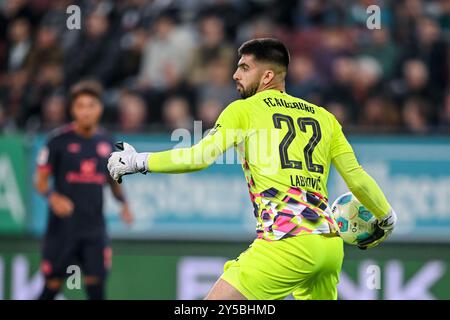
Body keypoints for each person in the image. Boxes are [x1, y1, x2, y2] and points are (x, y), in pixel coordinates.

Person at [107, 38, 397, 300]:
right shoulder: (325, 118)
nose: (235, 74)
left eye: (245, 67)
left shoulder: (243, 110)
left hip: (287, 240)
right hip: (329, 245)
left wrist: (138, 161)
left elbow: (199, 157)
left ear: (267, 75)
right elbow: (357, 179)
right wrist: (386, 216)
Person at [34, 80, 133, 300]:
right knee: (51, 286)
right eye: (81, 106)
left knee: (96, 287)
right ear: (73, 109)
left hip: (93, 228)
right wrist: (52, 196)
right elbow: (39, 181)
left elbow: (112, 179)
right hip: (62, 228)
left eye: (91, 106)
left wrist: (124, 204)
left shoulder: (107, 143)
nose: (86, 111)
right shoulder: (57, 141)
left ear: (100, 109)